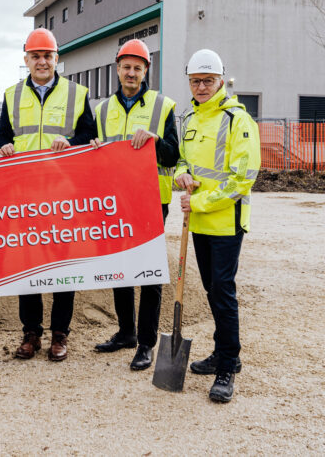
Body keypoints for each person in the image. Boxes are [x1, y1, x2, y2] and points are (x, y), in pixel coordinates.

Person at [0, 27, 97, 362]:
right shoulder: (11, 95)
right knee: (28, 266)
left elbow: (90, 138)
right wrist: (3, 147)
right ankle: (31, 333)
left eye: (47, 56)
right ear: (26, 59)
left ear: (57, 59)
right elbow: (3, 140)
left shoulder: (77, 94)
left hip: (62, 197)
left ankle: (59, 334)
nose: (42, 61)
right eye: (35, 56)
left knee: (63, 267)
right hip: (25, 197)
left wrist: (73, 143)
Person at [173, 49, 261, 403]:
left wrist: (198, 202)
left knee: (223, 293)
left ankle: (228, 365)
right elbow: (183, 157)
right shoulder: (190, 119)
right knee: (211, 289)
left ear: (221, 80)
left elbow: (243, 179)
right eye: (196, 81)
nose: (202, 87)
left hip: (225, 224)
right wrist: (181, 173)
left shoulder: (238, 121)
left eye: (208, 80)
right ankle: (225, 353)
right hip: (200, 225)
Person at [89, 39, 179, 371]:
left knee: (150, 273)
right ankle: (126, 332)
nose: (131, 73)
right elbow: (92, 159)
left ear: (146, 71)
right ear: (117, 68)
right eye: (126, 66)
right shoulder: (101, 111)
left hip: (152, 199)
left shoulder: (163, 106)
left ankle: (146, 343)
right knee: (120, 268)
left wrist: (155, 141)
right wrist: (93, 147)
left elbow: (173, 153)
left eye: (137, 68)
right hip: (115, 201)